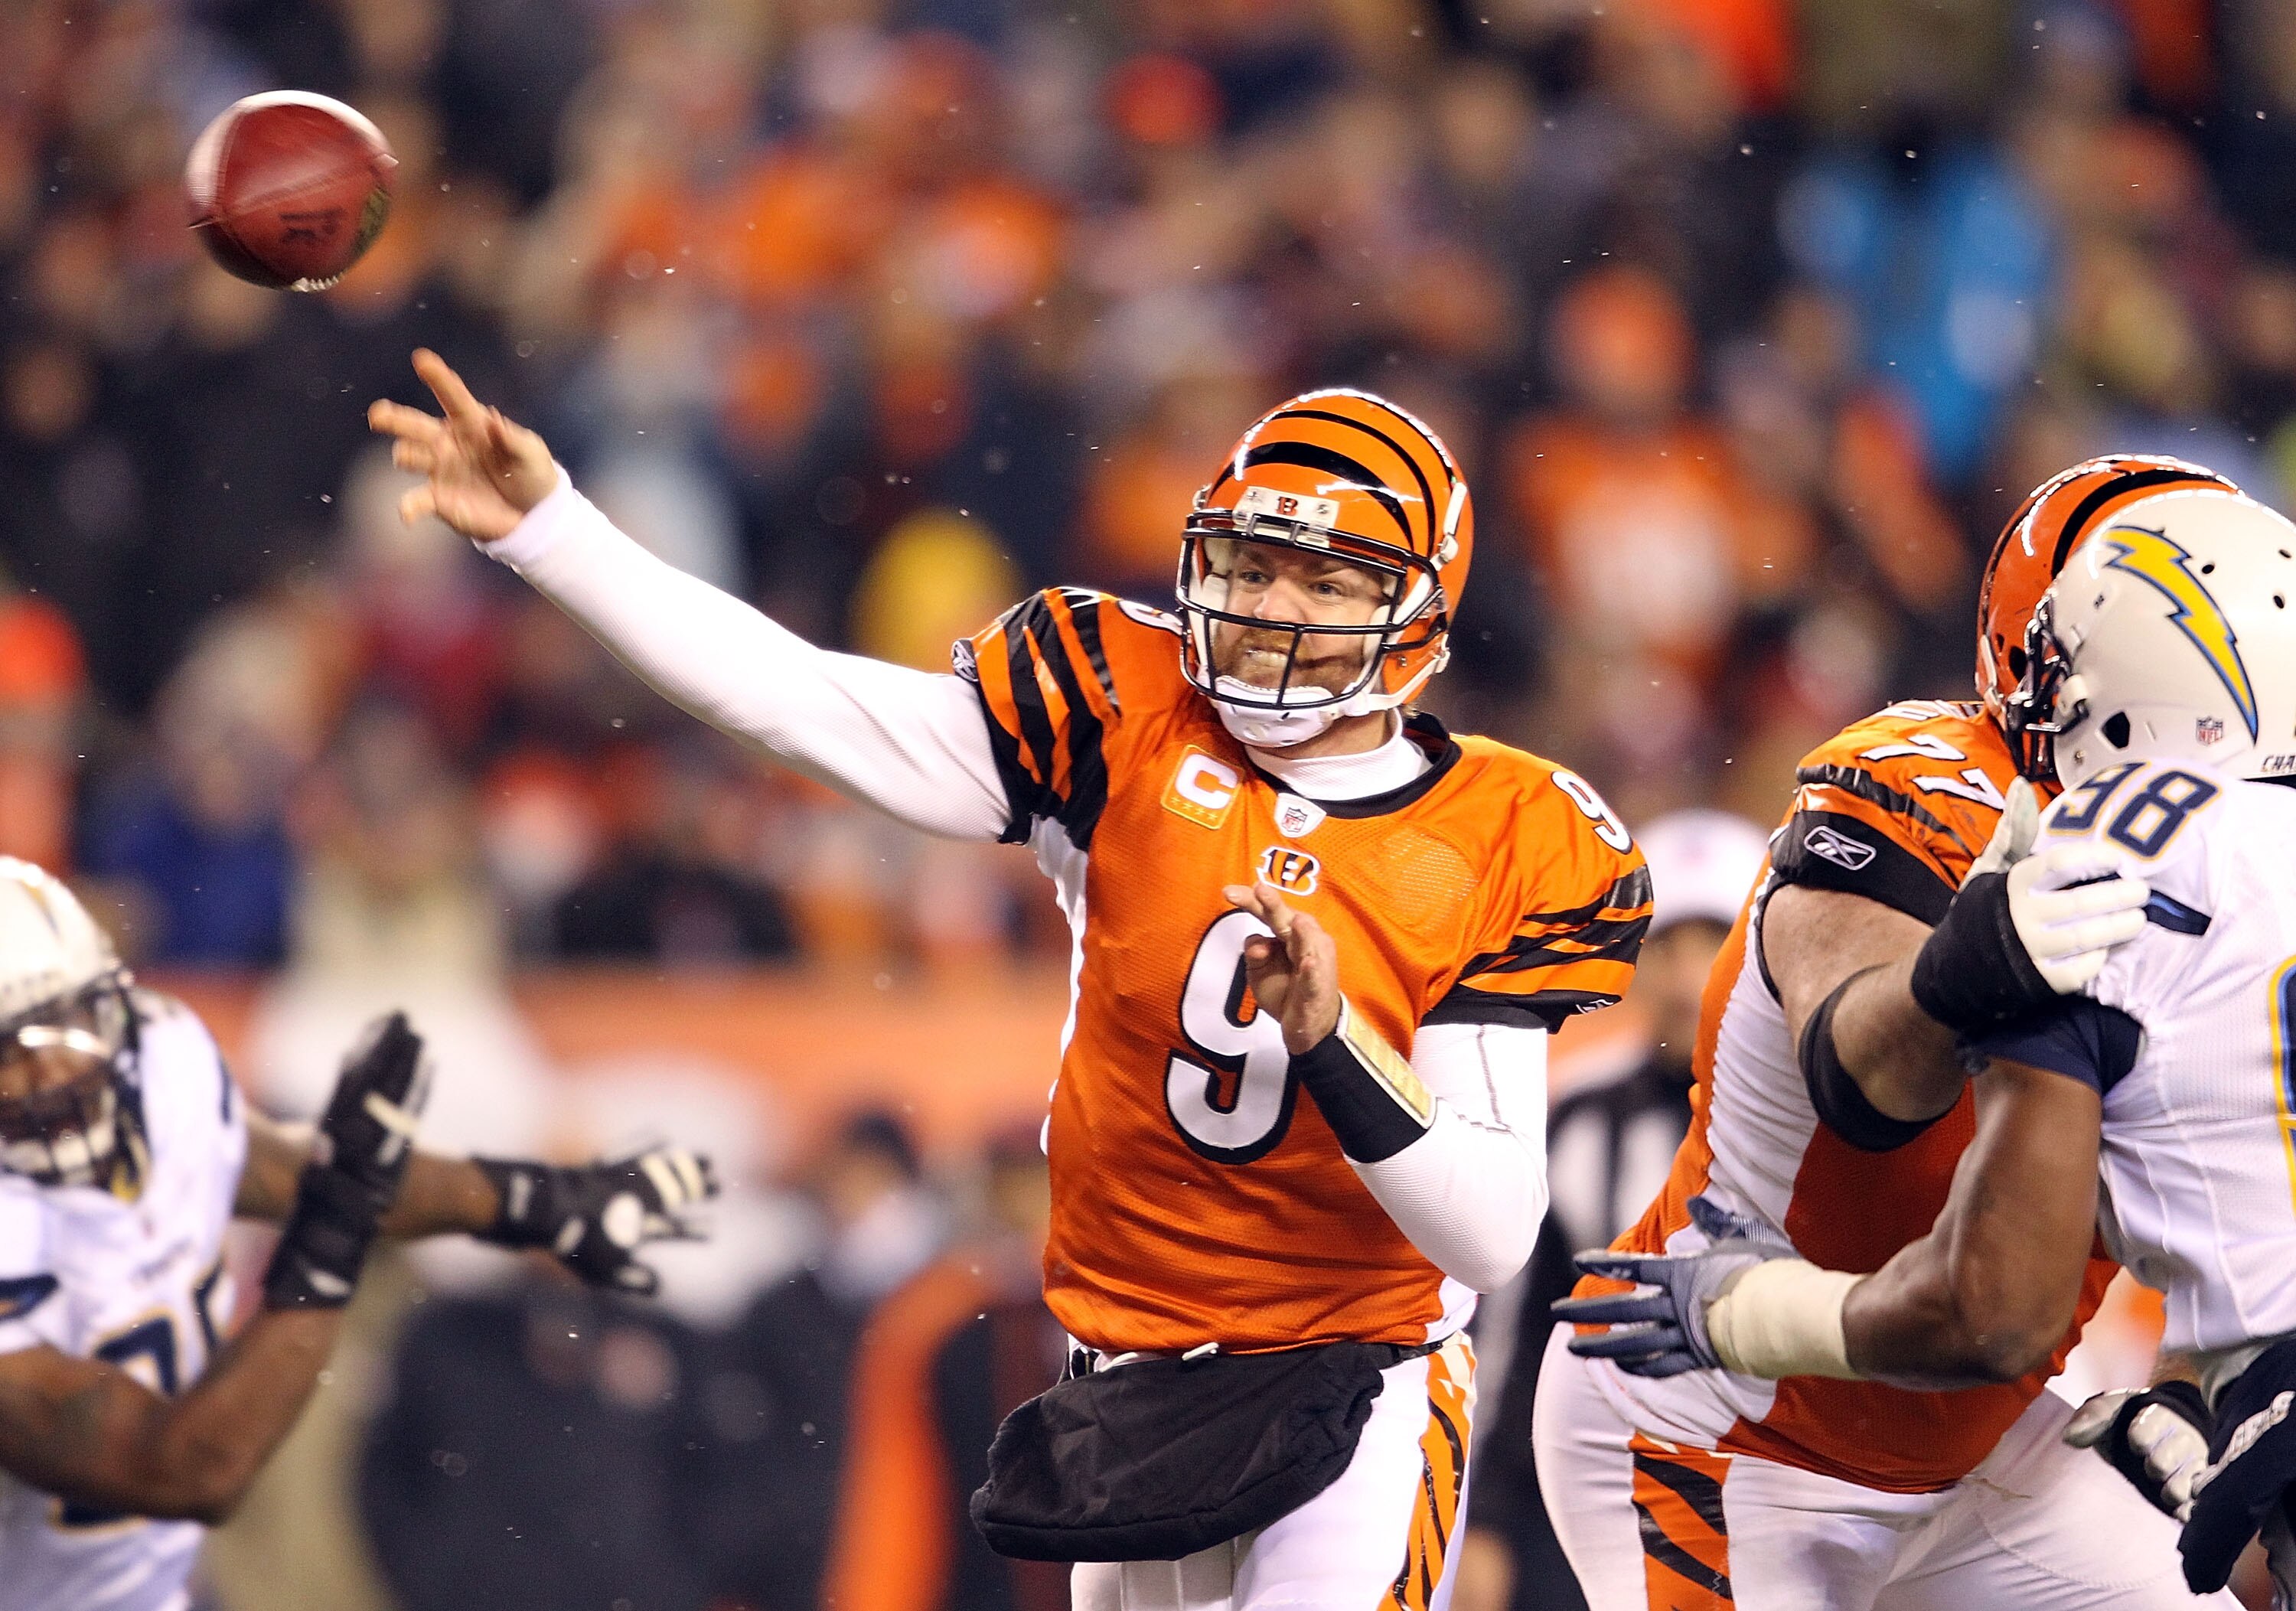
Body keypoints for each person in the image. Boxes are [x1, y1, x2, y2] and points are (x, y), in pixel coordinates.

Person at [372, 350, 1651, 1611]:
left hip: (1355, 1381)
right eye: (1251, 565)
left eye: (1322, 581)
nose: (1270, 609)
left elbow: (1486, 1230)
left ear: (1416, 606)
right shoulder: (1122, 714)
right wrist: (555, 534)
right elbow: (801, 703)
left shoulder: (1501, 830)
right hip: (1134, 1381)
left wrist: (1333, 1044)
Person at [1554, 484, 2296, 1602]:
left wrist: (2189, 1389)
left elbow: (2212, 1220)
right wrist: (1963, 970)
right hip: (1723, 1414)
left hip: (1980, 1437)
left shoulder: (2238, 871)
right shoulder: (1925, 782)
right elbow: (1859, 1080)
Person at [0, 856, 713, 1611]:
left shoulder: (162, 1062)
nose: (51, 1071)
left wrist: (536, 1200)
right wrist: (328, 1240)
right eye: (9, 1047)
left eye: (70, 1025)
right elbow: (188, 1471)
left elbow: (271, 1168)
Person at [1456, 809, 1769, 1611]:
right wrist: (1482, 1516)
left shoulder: (1808, 1117)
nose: (1686, 976)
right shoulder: (1576, 1110)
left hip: (1771, 1480)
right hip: (1595, 1475)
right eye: (1667, 946)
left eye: (1714, 945)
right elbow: (1518, 1328)